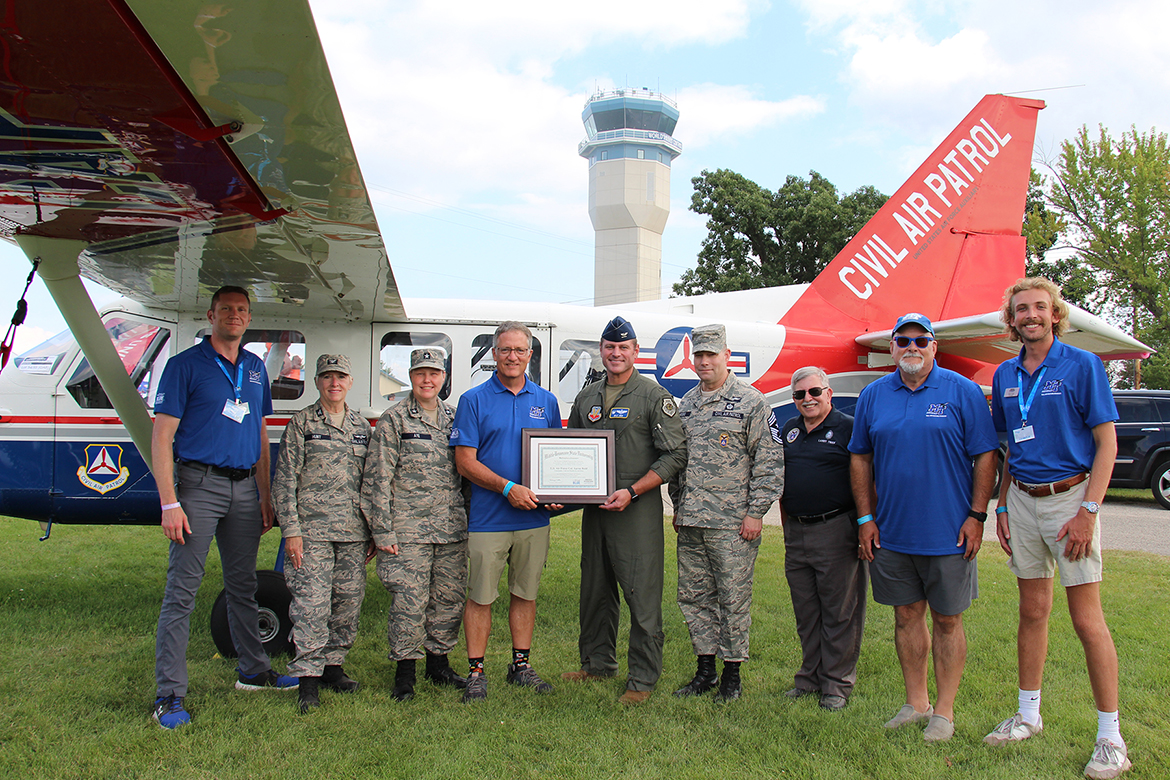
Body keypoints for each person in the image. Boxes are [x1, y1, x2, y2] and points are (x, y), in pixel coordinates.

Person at [984, 278, 1129, 779]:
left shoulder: (1082, 365)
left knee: (1087, 620)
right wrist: (1002, 505)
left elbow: (1106, 444)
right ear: (1012, 318)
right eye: (1021, 309)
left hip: (1071, 500)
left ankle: (1111, 737)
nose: (1030, 316)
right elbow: (1010, 448)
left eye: (1039, 308)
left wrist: (1088, 511)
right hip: (1022, 500)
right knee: (1032, 611)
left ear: (1055, 314)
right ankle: (1028, 715)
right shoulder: (1005, 373)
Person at [150, 286, 296, 730]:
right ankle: (169, 695)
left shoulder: (253, 368)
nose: (234, 316)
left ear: (249, 319)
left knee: (242, 587)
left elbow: (258, 435)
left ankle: (253, 671)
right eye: (227, 309)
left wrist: (266, 494)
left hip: (244, 490)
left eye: (242, 311)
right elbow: (162, 437)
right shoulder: (184, 366)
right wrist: (169, 501)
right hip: (199, 486)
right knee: (183, 593)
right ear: (211, 314)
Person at [849, 312, 997, 743]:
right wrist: (865, 518)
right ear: (891, 347)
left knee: (948, 621)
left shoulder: (963, 391)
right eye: (903, 340)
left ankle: (944, 712)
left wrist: (977, 515)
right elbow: (860, 456)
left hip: (949, 533)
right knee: (906, 616)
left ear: (934, 346)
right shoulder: (875, 395)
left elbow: (986, 454)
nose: (911, 347)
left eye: (921, 340)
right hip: (892, 533)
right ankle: (916, 703)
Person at [562, 316, 687, 704]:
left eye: (624, 347)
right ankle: (597, 662)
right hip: (595, 511)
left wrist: (633, 491)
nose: (616, 353)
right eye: (609, 347)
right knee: (595, 588)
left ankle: (643, 678)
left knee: (640, 592)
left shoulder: (653, 397)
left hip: (635, 510)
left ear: (636, 352)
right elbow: (573, 454)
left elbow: (676, 453)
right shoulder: (587, 397)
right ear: (601, 350)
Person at [669, 323, 784, 701]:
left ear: (726, 356)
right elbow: (679, 460)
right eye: (698, 355)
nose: (704, 362)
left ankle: (732, 676)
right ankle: (705, 671)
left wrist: (755, 513)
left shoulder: (750, 402)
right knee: (695, 596)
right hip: (692, 521)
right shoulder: (686, 404)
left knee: (733, 598)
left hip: (733, 525)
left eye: (711, 355)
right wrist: (678, 504)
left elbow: (768, 462)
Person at [451, 321, 562, 702]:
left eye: (520, 350)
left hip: (534, 519)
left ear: (530, 355)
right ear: (493, 354)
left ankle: (520, 666)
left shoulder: (546, 401)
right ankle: (476, 672)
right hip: (488, 518)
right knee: (481, 596)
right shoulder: (474, 400)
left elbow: (555, 457)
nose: (512, 357)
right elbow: (465, 461)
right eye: (505, 350)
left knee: (525, 593)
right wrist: (507, 488)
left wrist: (557, 492)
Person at [363, 348, 469, 702]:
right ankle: (405, 672)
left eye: (434, 373)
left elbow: (467, 472)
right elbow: (378, 478)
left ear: (443, 378)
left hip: (450, 528)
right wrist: (382, 531)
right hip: (407, 530)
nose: (427, 380)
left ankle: (438, 664)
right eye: (421, 373)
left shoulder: (455, 418)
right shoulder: (394, 420)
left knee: (448, 599)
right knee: (409, 601)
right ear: (411, 377)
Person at [273, 354, 371, 714]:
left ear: (350, 382)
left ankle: (333, 667)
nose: (334, 383)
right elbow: (285, 480)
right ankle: (308, 679)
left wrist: (373, 530)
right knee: (311, 605)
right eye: (327, 377)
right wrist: (291, 532)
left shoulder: (362, 427)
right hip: (310, 533)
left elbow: (371, 483)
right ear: (316, 382)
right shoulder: (302, 424)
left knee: (347, 603)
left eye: (340, 377)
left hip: (352, 533)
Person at [779, 366, 866, 711]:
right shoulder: (789, 430)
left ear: (829, 393)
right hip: (796, 532)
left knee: (840, 611)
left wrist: (865, 525)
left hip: (837, 530)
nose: (807, 399)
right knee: (807, 612)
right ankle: (809, 678)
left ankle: (836, 685)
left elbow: (866, 479)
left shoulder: (848, 428)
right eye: (799, 395)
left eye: (814, 392)